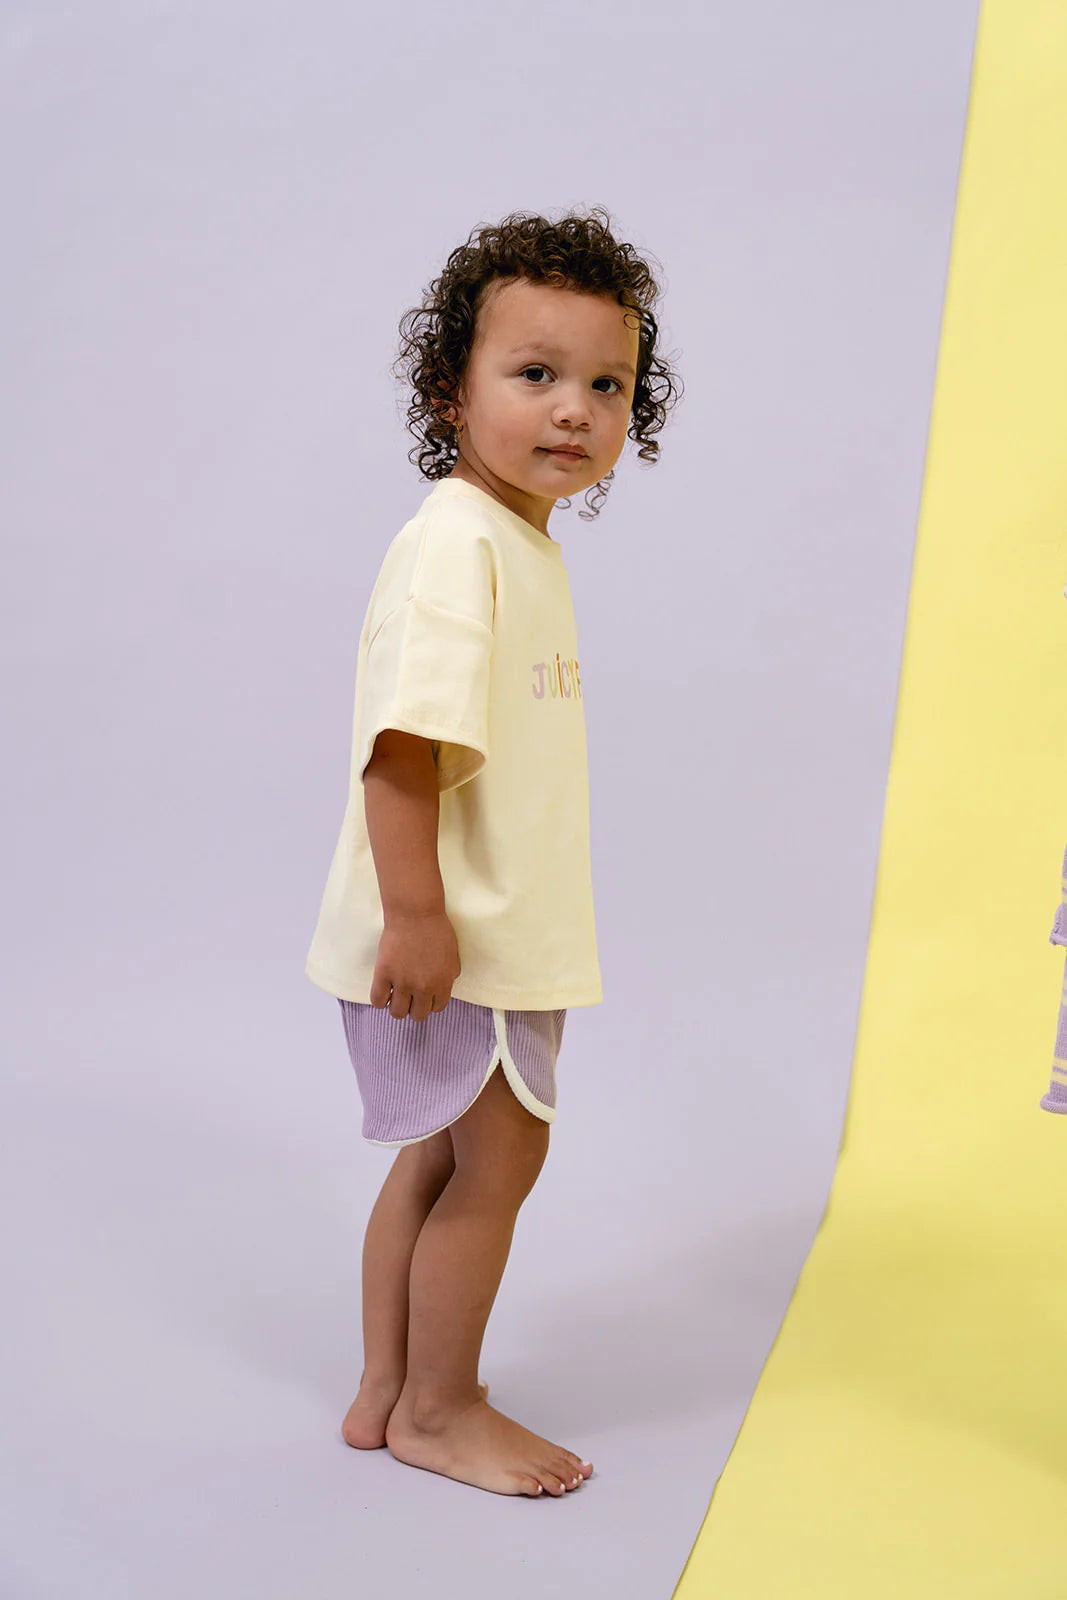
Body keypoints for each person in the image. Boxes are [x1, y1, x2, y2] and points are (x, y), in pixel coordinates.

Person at [305, 206, 682, 1498]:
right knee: (500, 1160)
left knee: (440, 1155)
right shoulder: (458, 547)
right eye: (533, 374)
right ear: (447, 390)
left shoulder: (509, 540)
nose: (573, 407)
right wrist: (418, 918)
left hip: (469, 932)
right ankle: (442, 1407)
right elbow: (402, 750)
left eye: (605, 383)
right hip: (459, 940)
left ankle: (385, 1393)